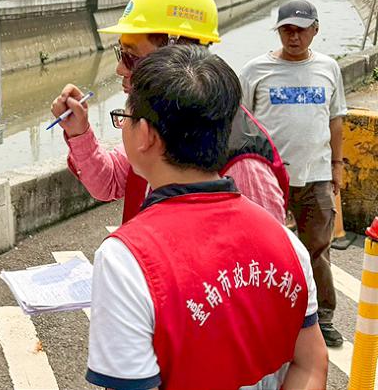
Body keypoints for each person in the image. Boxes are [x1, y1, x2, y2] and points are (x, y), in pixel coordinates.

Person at [86, 45, 328, 389]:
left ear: (146, 135)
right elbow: (311, 363)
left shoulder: (125, 261)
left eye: (124, 117)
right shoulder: (287, 243)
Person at [51, 0, 289, 225]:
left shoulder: (241, 158)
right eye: (120, 54)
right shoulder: (155, 118)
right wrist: (79, 133)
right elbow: (108, 182)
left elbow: (264, 245)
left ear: (177, 52)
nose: (120, 69)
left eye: (131, 57)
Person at [240, 0, 348, 347]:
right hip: (268, 179)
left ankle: (322, 318)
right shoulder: (255, 70)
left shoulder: (328, 68)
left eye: (301, 30)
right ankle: (266, 315)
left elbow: (336, 119)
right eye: (287, 30)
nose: (294, 37)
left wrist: (337, 166)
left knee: (318, 249)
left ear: (315, 30)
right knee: (266, 250)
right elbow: (241, 122)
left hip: (316, 175)